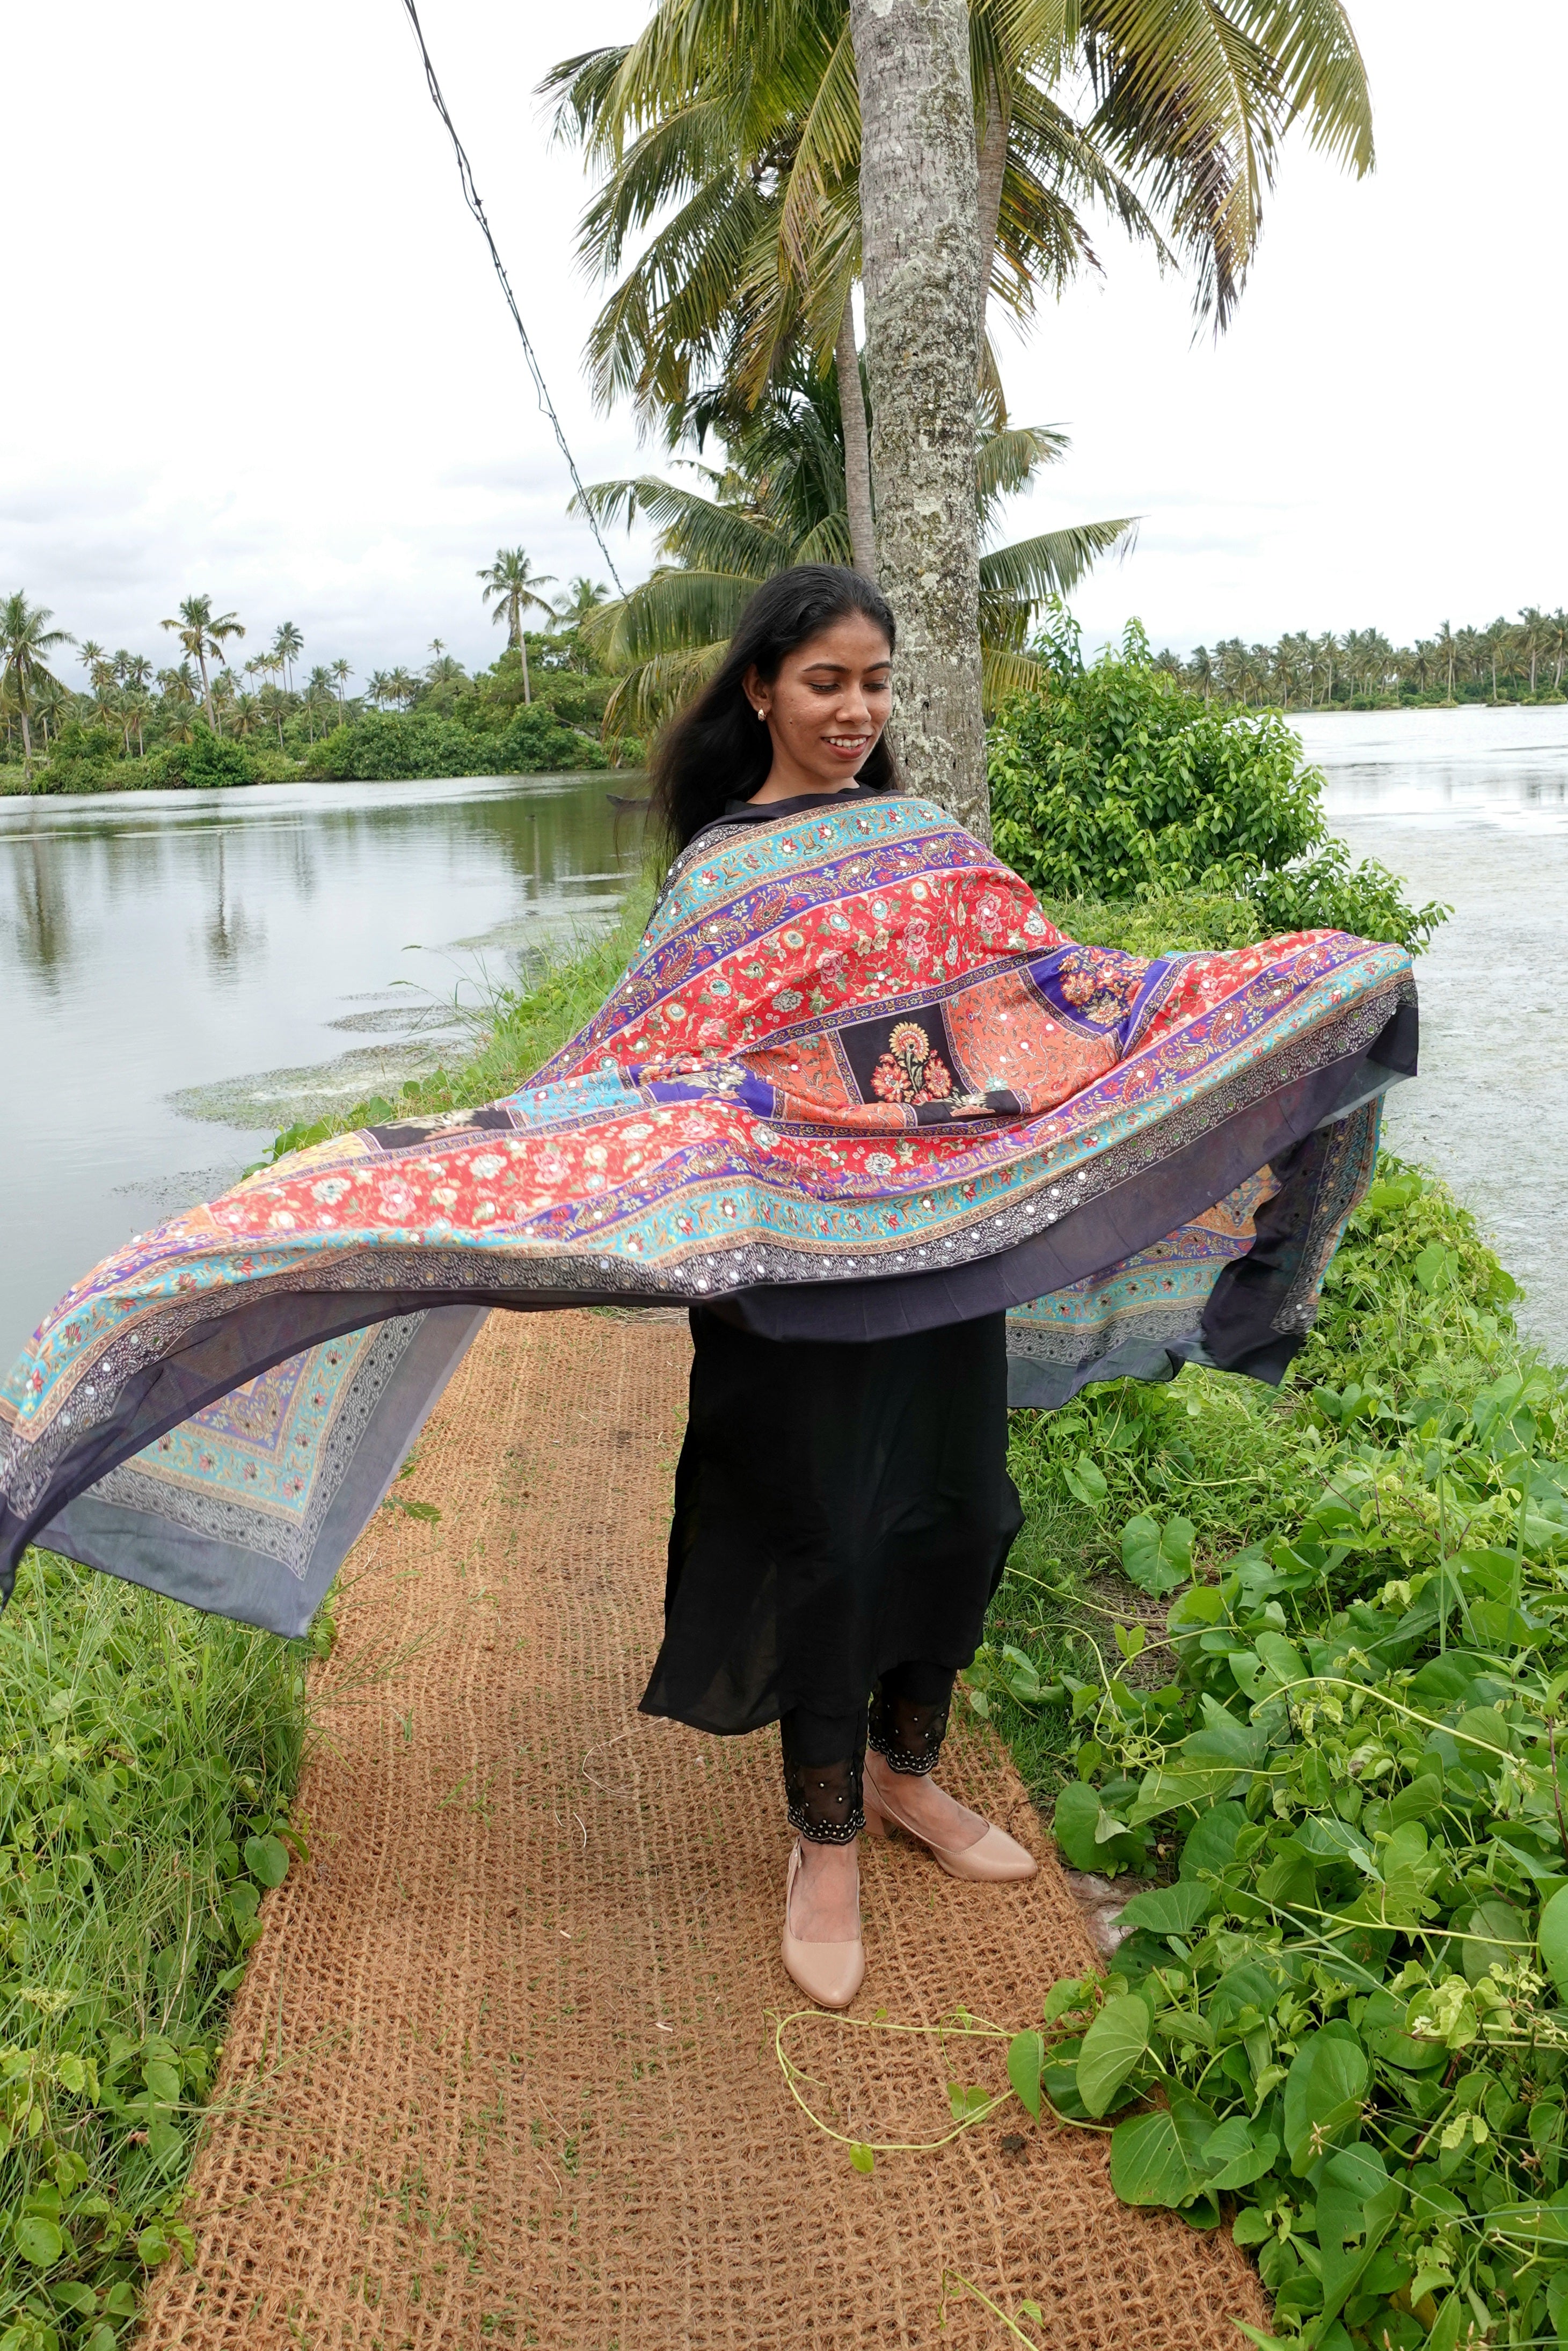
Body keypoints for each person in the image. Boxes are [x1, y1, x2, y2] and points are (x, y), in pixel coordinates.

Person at [635, 566, 1036, 2012]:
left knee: (961, 1506)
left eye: (874, 682)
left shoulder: (922, 844)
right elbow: (660, 1063)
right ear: (761, 689)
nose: (856, 710)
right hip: (793, 1260)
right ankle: (823, 1841)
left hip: (938, 1235)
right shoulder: (719, 871)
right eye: (826, 681)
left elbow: (1032, 997)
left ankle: (905, 1773)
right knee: (827, 1531)